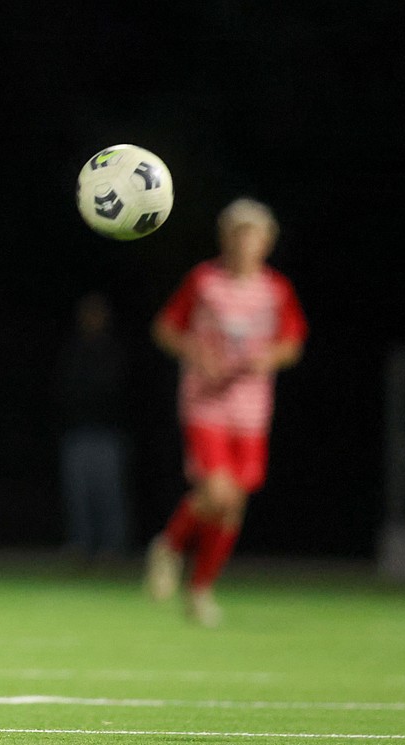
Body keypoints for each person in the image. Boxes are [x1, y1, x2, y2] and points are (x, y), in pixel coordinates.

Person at [143, 197, 307, 627]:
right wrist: (195, 351)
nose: (245, 243)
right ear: (225, 239)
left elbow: (292, 344)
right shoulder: (204, 281)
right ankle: (170, 548)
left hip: (251, 411)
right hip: (206, 404)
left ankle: (199, 591)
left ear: (267, 242)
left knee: (232, 508)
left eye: (253, 235)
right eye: (237, 234)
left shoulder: (276, 290)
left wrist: (267, 359)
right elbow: (165, 328)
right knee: (217, 492)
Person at [54, 292, 131, 563]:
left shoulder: (114, 351)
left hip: (107, 433)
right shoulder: (73, 350)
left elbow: (122, 392)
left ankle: (112, 548)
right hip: (77, 432)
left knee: (109, 494)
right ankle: (80, 545)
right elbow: (63, 390)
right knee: (78, 496)